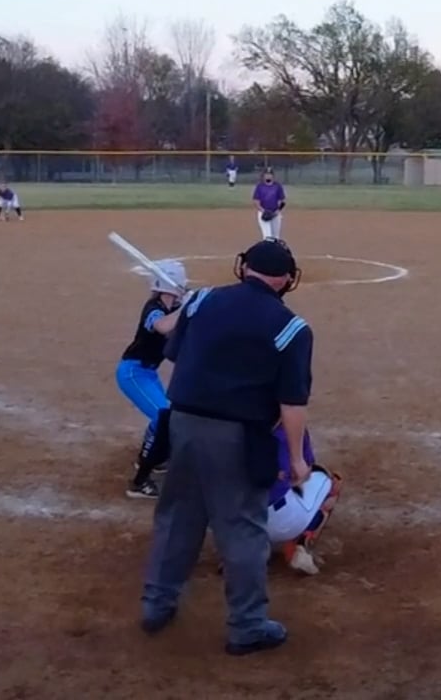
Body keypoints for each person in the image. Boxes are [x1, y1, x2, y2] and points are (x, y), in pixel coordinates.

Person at [140, 240, 314, 656]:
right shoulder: (293, 328)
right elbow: (292, 403)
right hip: (239, 435)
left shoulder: (201, 300)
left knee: (178, 518)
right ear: (287, 280)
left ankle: (156, 604)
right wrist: (295, 459)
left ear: (243, 268)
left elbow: (175, 352)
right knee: (242, 530)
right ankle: (247, 626)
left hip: (182, 424)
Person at [118, 259, 187, 499]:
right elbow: (162, 326)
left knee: (166, 414)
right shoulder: (154, 308)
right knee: (164, 416)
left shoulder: (172, 309)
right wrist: (187, 307)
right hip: (133, 373)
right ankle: (139, 482)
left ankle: (150, 457)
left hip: (147, 373)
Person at [265, 426, 339, 576]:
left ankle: (236, 553)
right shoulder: (291, 427)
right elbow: (304, 473)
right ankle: (301, 547)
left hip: (238, 522)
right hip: (281, 520)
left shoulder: (228, 426)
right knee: (333, 482)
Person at [252, 170, 287, 243]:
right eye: (266, 174)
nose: (268, 176)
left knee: (276, 237)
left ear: (273, 176)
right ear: (263, 176)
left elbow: (283, 200)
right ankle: (267, 249)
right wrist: (263, 211)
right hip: (263, 213)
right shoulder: (260, 186)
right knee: (267, 237)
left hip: (275, 213)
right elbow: (256, 201)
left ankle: (275, 250)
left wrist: (278, 211)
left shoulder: (277, 186)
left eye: (270, 174)